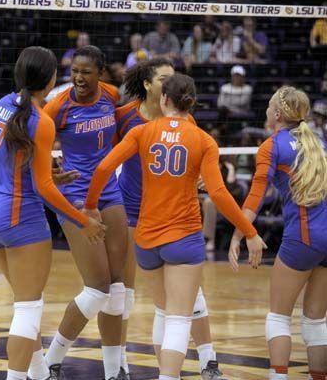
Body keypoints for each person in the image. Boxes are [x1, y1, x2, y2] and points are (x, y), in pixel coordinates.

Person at [87, 73, 265, 380]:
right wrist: (250, 233)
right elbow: (219, 194)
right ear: (191, 103)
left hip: (146, 237)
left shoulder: (143, 132)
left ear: (163, 100)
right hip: (183, 237)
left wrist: (91, 205)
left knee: (163, 312)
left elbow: (104, 167)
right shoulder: (203, 140)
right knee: (180, 319)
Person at [0, 46, 106, 380]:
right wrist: (84, 222)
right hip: (21, 218)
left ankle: (39, 375)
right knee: (27, 309)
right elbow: (44, 189)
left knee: (26, 305)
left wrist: (46, 176)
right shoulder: (41, 121)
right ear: (50, 80)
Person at [115, 60, 227, 379]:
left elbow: (193, 161)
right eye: (164, 77)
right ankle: (121, 360)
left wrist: (200, 177)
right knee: (140, 295)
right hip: (134, 211)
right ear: (150, 85)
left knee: (189, 295)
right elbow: (106, 158)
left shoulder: (185, 119)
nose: (170, 81)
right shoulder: (125, 116)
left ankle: (208, 358)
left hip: (173, 214)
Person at [40, 46, 129, 380]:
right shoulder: (58, 106)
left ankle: (114, 371)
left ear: (100, 72)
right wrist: (50, 166)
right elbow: (36, 140)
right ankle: (52, 359)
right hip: (75, 194)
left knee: (117, 287)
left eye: (86, 72)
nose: (78, 77)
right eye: (74, 71)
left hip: (109, 189)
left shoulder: (111, 95)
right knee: (98, 288)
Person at [228, 86, 327, 380]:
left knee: (278, 317)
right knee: (315, 322)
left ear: (278, 114)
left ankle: (279, 376)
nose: (267, 112)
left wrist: (239, 234)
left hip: (303, 239)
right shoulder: (319, 143)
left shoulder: (273, 145)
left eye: (270, 108)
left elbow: (255, 197)